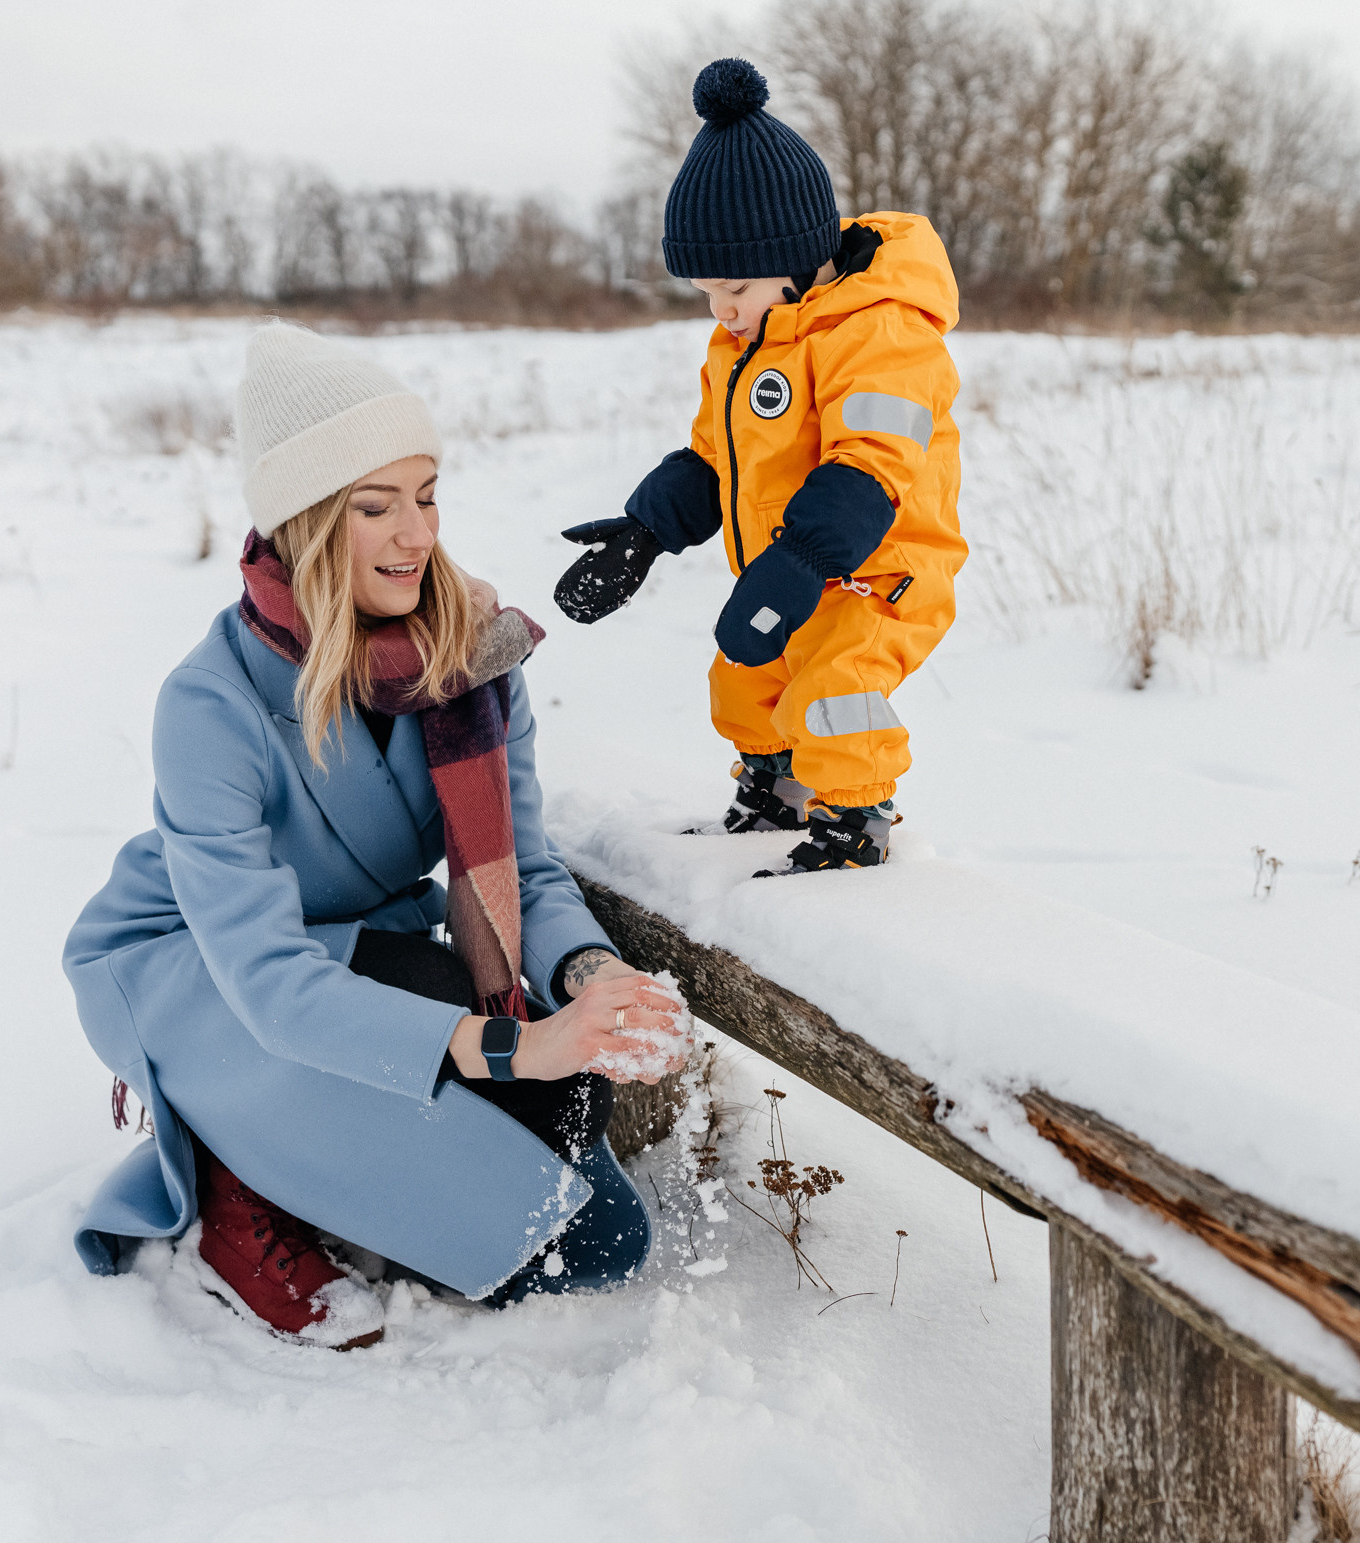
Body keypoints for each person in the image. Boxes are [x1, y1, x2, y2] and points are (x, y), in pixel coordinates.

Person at [63, 321, 682, 1349]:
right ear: (305, 520)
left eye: (427, 495)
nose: (415, 536)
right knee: (568, 1236)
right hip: (200, 972)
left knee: (593, 1209)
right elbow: (268, 985)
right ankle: (236, 1173)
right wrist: (511, 1046)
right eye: (374, 506)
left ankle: (314, 1154)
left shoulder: (470, 658)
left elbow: (519, 865)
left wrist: (591, 976)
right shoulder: (209, 703)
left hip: (363, 947)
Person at [554, 57, 964, 876]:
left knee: (834, 689)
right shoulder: (745, 343)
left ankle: (854, 828)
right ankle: (776, 794)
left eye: (734, 287)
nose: (721, 310)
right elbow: (714, 456)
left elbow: (871, 468)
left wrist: (805, 559)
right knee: (745, 678)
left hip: (876, 573)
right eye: (706, 293)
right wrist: (645, 531)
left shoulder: (881, 333)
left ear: (797, 255)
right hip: (793, 566)